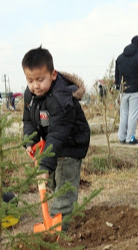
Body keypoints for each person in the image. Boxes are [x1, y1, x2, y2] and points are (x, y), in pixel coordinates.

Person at [22, 46, 90, 230]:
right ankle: (58, 212)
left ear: (53, 75)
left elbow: (58, 134)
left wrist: (44, 165)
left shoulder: (62, 100)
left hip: (70, 145)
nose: (35, 85)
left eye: (40, 79)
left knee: (64, 189)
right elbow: (28, 120)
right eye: (30, 80)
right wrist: (30, 141)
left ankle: (59, 230)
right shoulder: (30, 96)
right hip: (51, 146)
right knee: (52, 181)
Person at [115, 35, 138, 145]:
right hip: (137, 90)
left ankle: (121, 137)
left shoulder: (120, 57)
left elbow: (117, 75)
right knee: (133, 115)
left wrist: (118, 88)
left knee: (124, 114)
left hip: (124, 91)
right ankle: (130, 138)